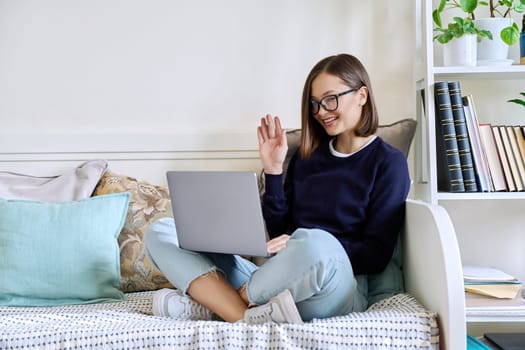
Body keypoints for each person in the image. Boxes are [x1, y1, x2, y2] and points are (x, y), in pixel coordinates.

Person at [145, 53, 411, 324]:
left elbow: (375, 255)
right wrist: (273, 170)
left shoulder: (389, 163)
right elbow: (279, 233)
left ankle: (225, 303)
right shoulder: (308, 159)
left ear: (362, 95)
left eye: (330, 99)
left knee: (316, 244)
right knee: (161, 231)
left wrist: (303, 242)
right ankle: (243, 315)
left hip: (336, 286)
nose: (321, 112)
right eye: (315, 104)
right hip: (275, 280)